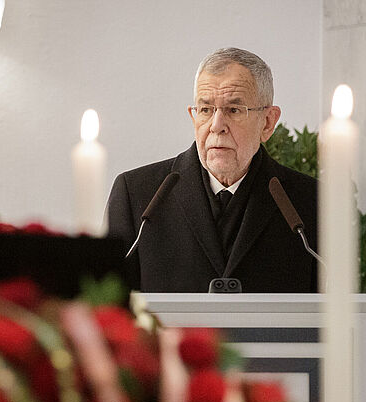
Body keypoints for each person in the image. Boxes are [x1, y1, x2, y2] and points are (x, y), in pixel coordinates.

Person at [106, 47, 319, 292]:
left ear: (268, 122)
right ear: (193, 116)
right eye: (206, 110)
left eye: (234, 110)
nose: (217, 126)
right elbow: (111, 308)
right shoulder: (137, 194)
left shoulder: (310, 201)